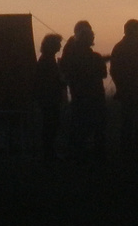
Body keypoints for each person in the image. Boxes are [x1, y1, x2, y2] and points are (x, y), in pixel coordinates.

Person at [59, 20, 107, 161]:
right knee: (96, 128)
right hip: (94, 97)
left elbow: (65, 71)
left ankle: (77, 155)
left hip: (78, 96)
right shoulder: (95, 57)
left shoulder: (70, 54)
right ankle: (96, 156)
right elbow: (103, 74)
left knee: (80, 127)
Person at [109, 18, 138, 156]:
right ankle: (131, 153)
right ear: (131, 31)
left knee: (135, 123)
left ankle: (134, 152)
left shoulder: (122, 47)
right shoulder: (131, 46)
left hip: (137, 90)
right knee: (131, 123)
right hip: (131, 91)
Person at [33, 33, 67, 161]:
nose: (60, 45)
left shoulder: (47, 59)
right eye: (58, 43)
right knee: (50, 125)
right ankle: (48, 153)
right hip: (49, 99)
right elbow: (49, 81)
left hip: (49, 98)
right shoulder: (47, 61)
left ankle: (49, 152)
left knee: (51, 125)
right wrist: (62, 82)